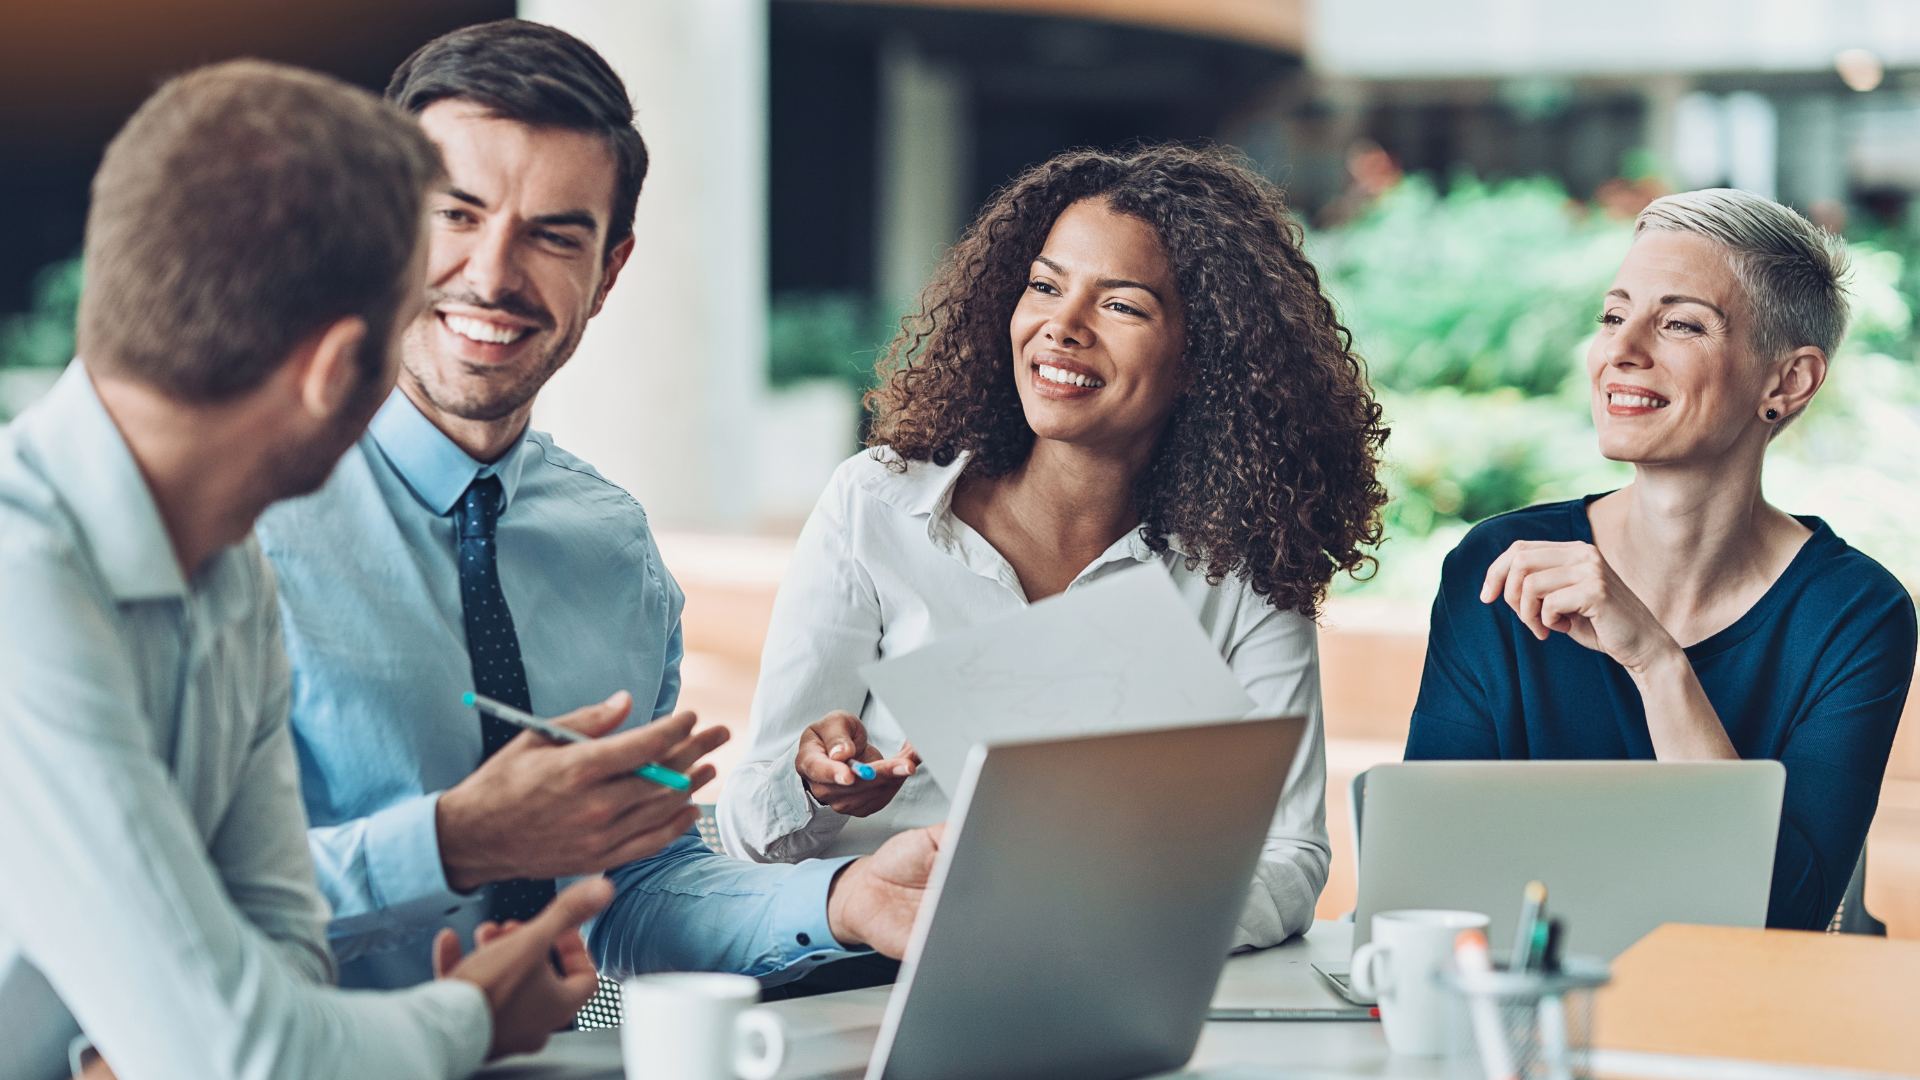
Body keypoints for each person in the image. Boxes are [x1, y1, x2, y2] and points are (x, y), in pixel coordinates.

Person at [252, 17, 938, 1010]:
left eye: (552, 234)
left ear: (608, 272)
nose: (492, 275)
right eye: (455, 215)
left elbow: (634, 892)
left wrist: (837, 898)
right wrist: (455, 844)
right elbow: (154, 900)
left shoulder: (612, 548)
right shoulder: (237, 520)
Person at [0, 60, 627, 1080]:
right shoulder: (18, 580)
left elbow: (275, 969)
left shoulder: (230, 569)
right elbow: (243, 1049)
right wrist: (463, 1017)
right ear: (340, 367)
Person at [719, 144, 1392, 951]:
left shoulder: (1241, 567)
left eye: (1123, 307)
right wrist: (816, 789)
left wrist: (1129, 928)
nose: (1061, 328)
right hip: (868, 973)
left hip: (1111, 978)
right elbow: (750, 831)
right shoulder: (877, 506)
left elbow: (1288, 853)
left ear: (1201, 359)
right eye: (1044, 286)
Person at [1405, 188, 1916, 931]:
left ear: (1788, 381)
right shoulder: (1497, 565)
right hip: (1524, 1012)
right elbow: (1426, 873)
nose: (1622, 350)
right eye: (1614, 316)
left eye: (1679, 323)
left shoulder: (1855, 615)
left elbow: (1785, 915)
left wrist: (1655, 661)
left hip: (1734, 1025)